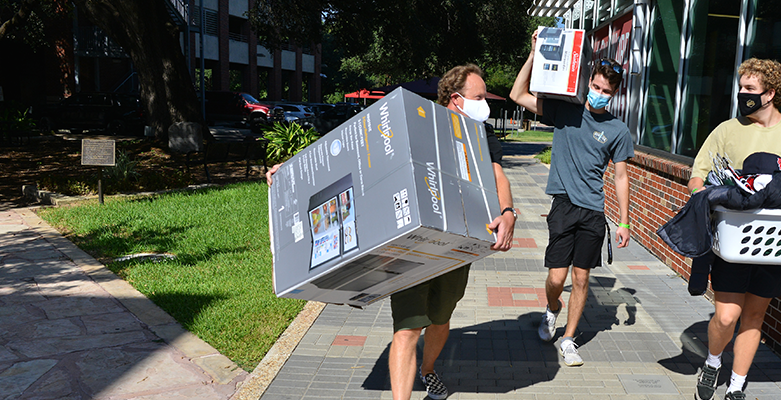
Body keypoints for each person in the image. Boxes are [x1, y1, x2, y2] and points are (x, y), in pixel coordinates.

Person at [267, 64, 517, 400]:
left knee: (440, 319)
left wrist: (508, 212)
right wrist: (294, 171)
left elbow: (498, 176)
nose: (484, 104)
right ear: (456, 99)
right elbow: (351, 148)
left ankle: (428, 371)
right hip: (410, 245)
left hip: (457, 245)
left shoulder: (481, 136)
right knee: (408, 328)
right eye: (479, 97)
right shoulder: (416, 119)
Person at [686, 58, 781, 400]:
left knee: (755, 313)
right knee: (726, 315)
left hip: (775, 242)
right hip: (733, 237)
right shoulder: (727, 130)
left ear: (770, 93)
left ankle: (736, 386)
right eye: (741, 87)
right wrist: (702, 195)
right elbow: (696, 174)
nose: (742, 94)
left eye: (750, 89)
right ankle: (714, 361)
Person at [509, 29, 634, 367]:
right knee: (556, 278)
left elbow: (621, 176)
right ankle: (552, 309)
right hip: (563, 206)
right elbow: (517, 93)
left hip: (593, 211)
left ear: (614, 95)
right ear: (587, 83)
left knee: (581, 278)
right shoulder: (566, 111)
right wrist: (535, 53)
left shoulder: (618, 130)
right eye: (595, 88)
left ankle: (568, 339)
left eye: (606, 92)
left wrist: (623, 222)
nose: (599, 95)